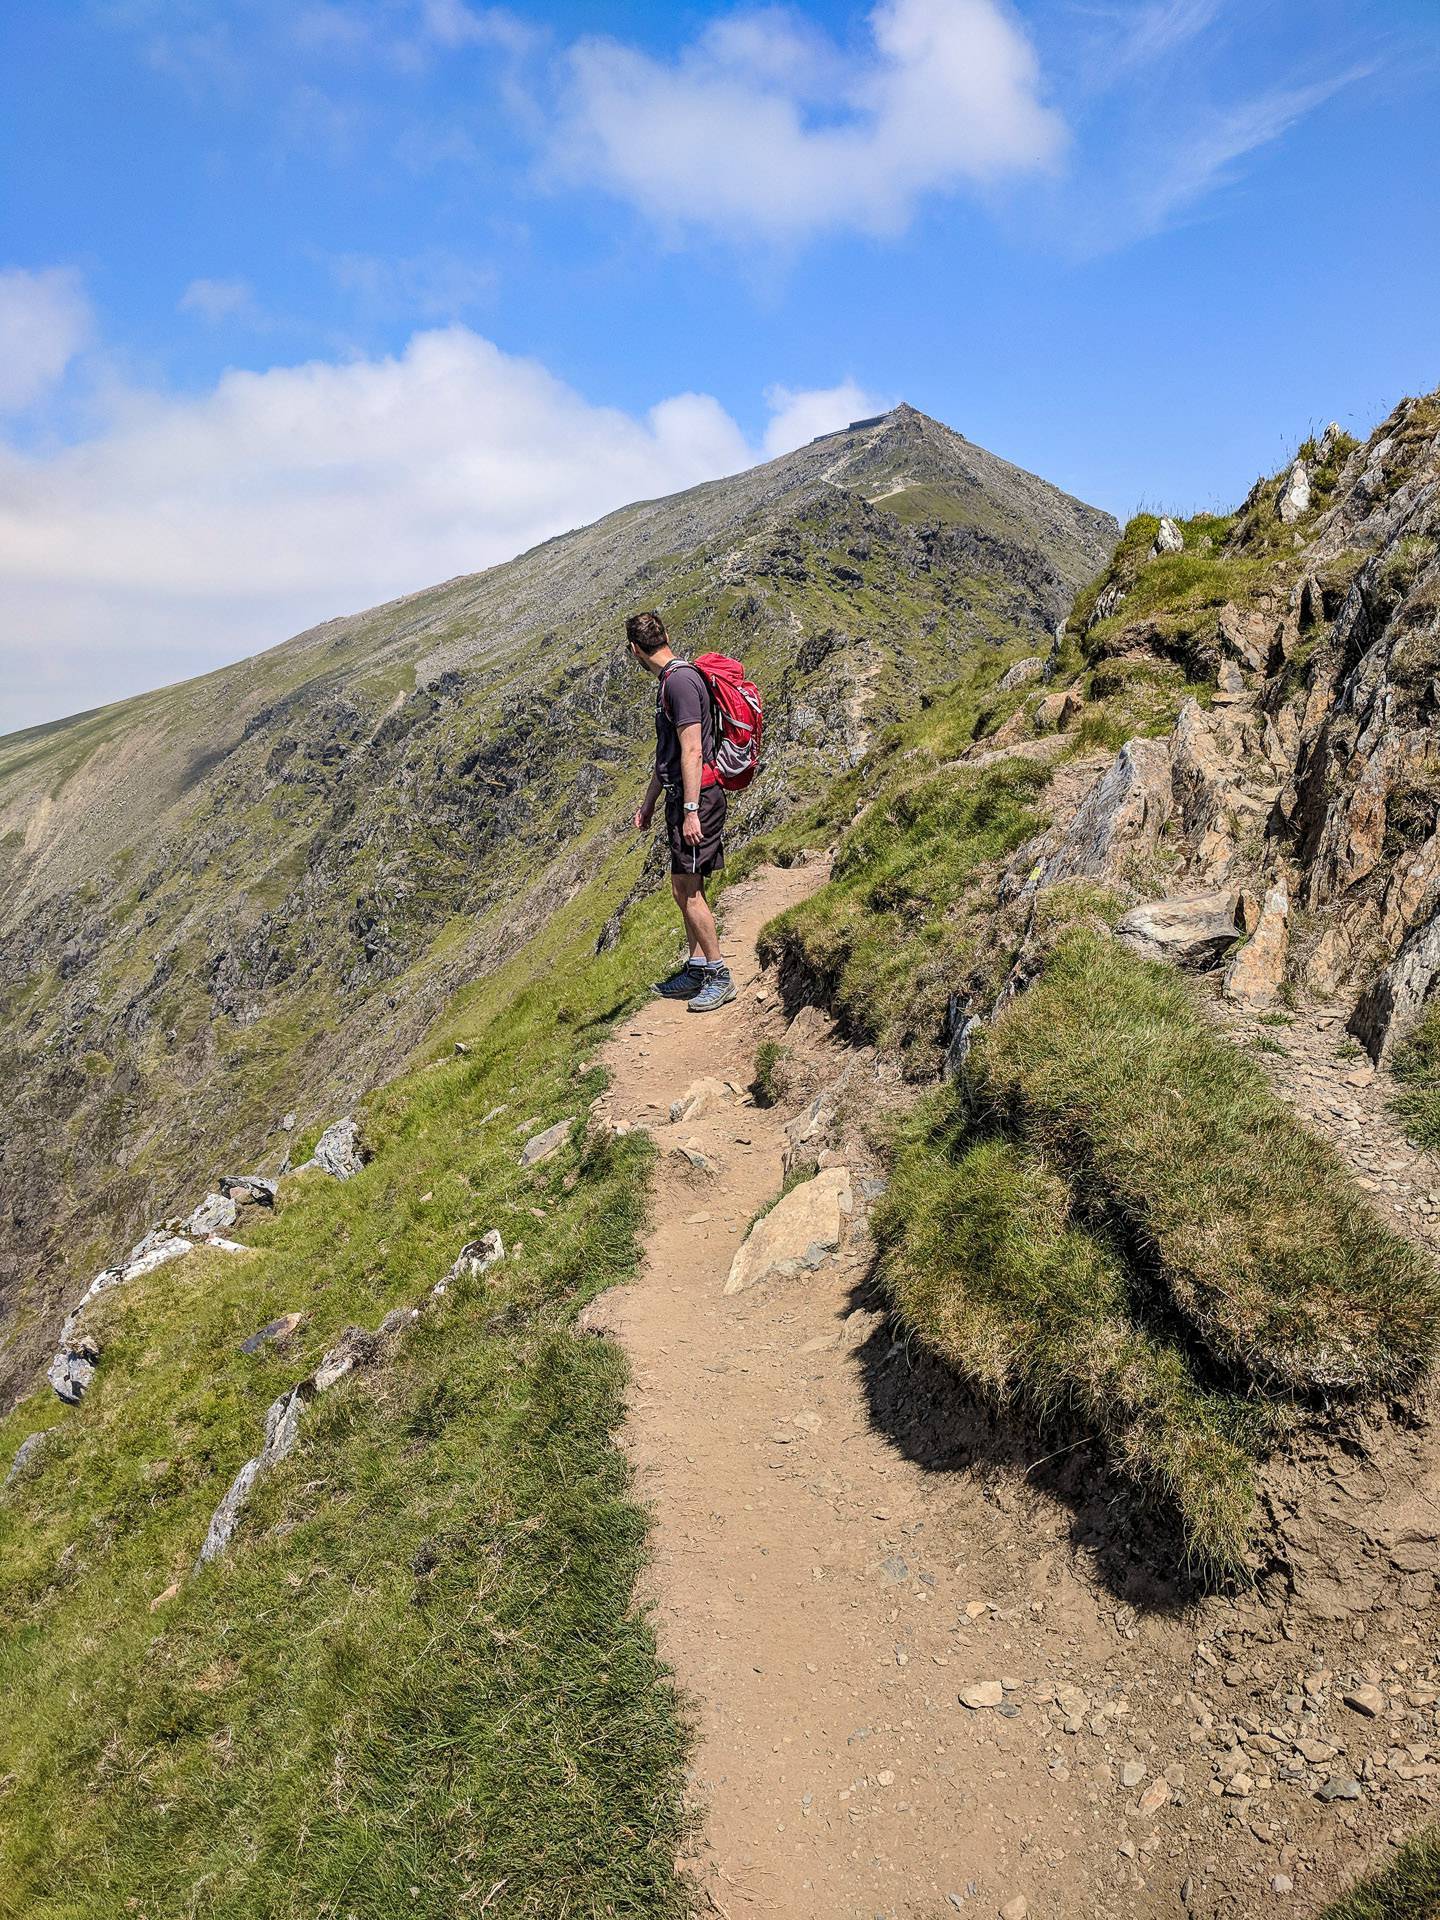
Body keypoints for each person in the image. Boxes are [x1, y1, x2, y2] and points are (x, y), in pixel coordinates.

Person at [626, 609, 736, 1012]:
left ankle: (719, 975)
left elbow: (691, 750)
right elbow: (666, 755)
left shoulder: (679, 682)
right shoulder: (671, 681)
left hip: (698, 798)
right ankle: (697, 968)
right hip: (682, 797)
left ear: (635, 650)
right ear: (665, 635)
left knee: (690, 892)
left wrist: (691, 811)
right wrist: (649, 803)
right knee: (682, 887)